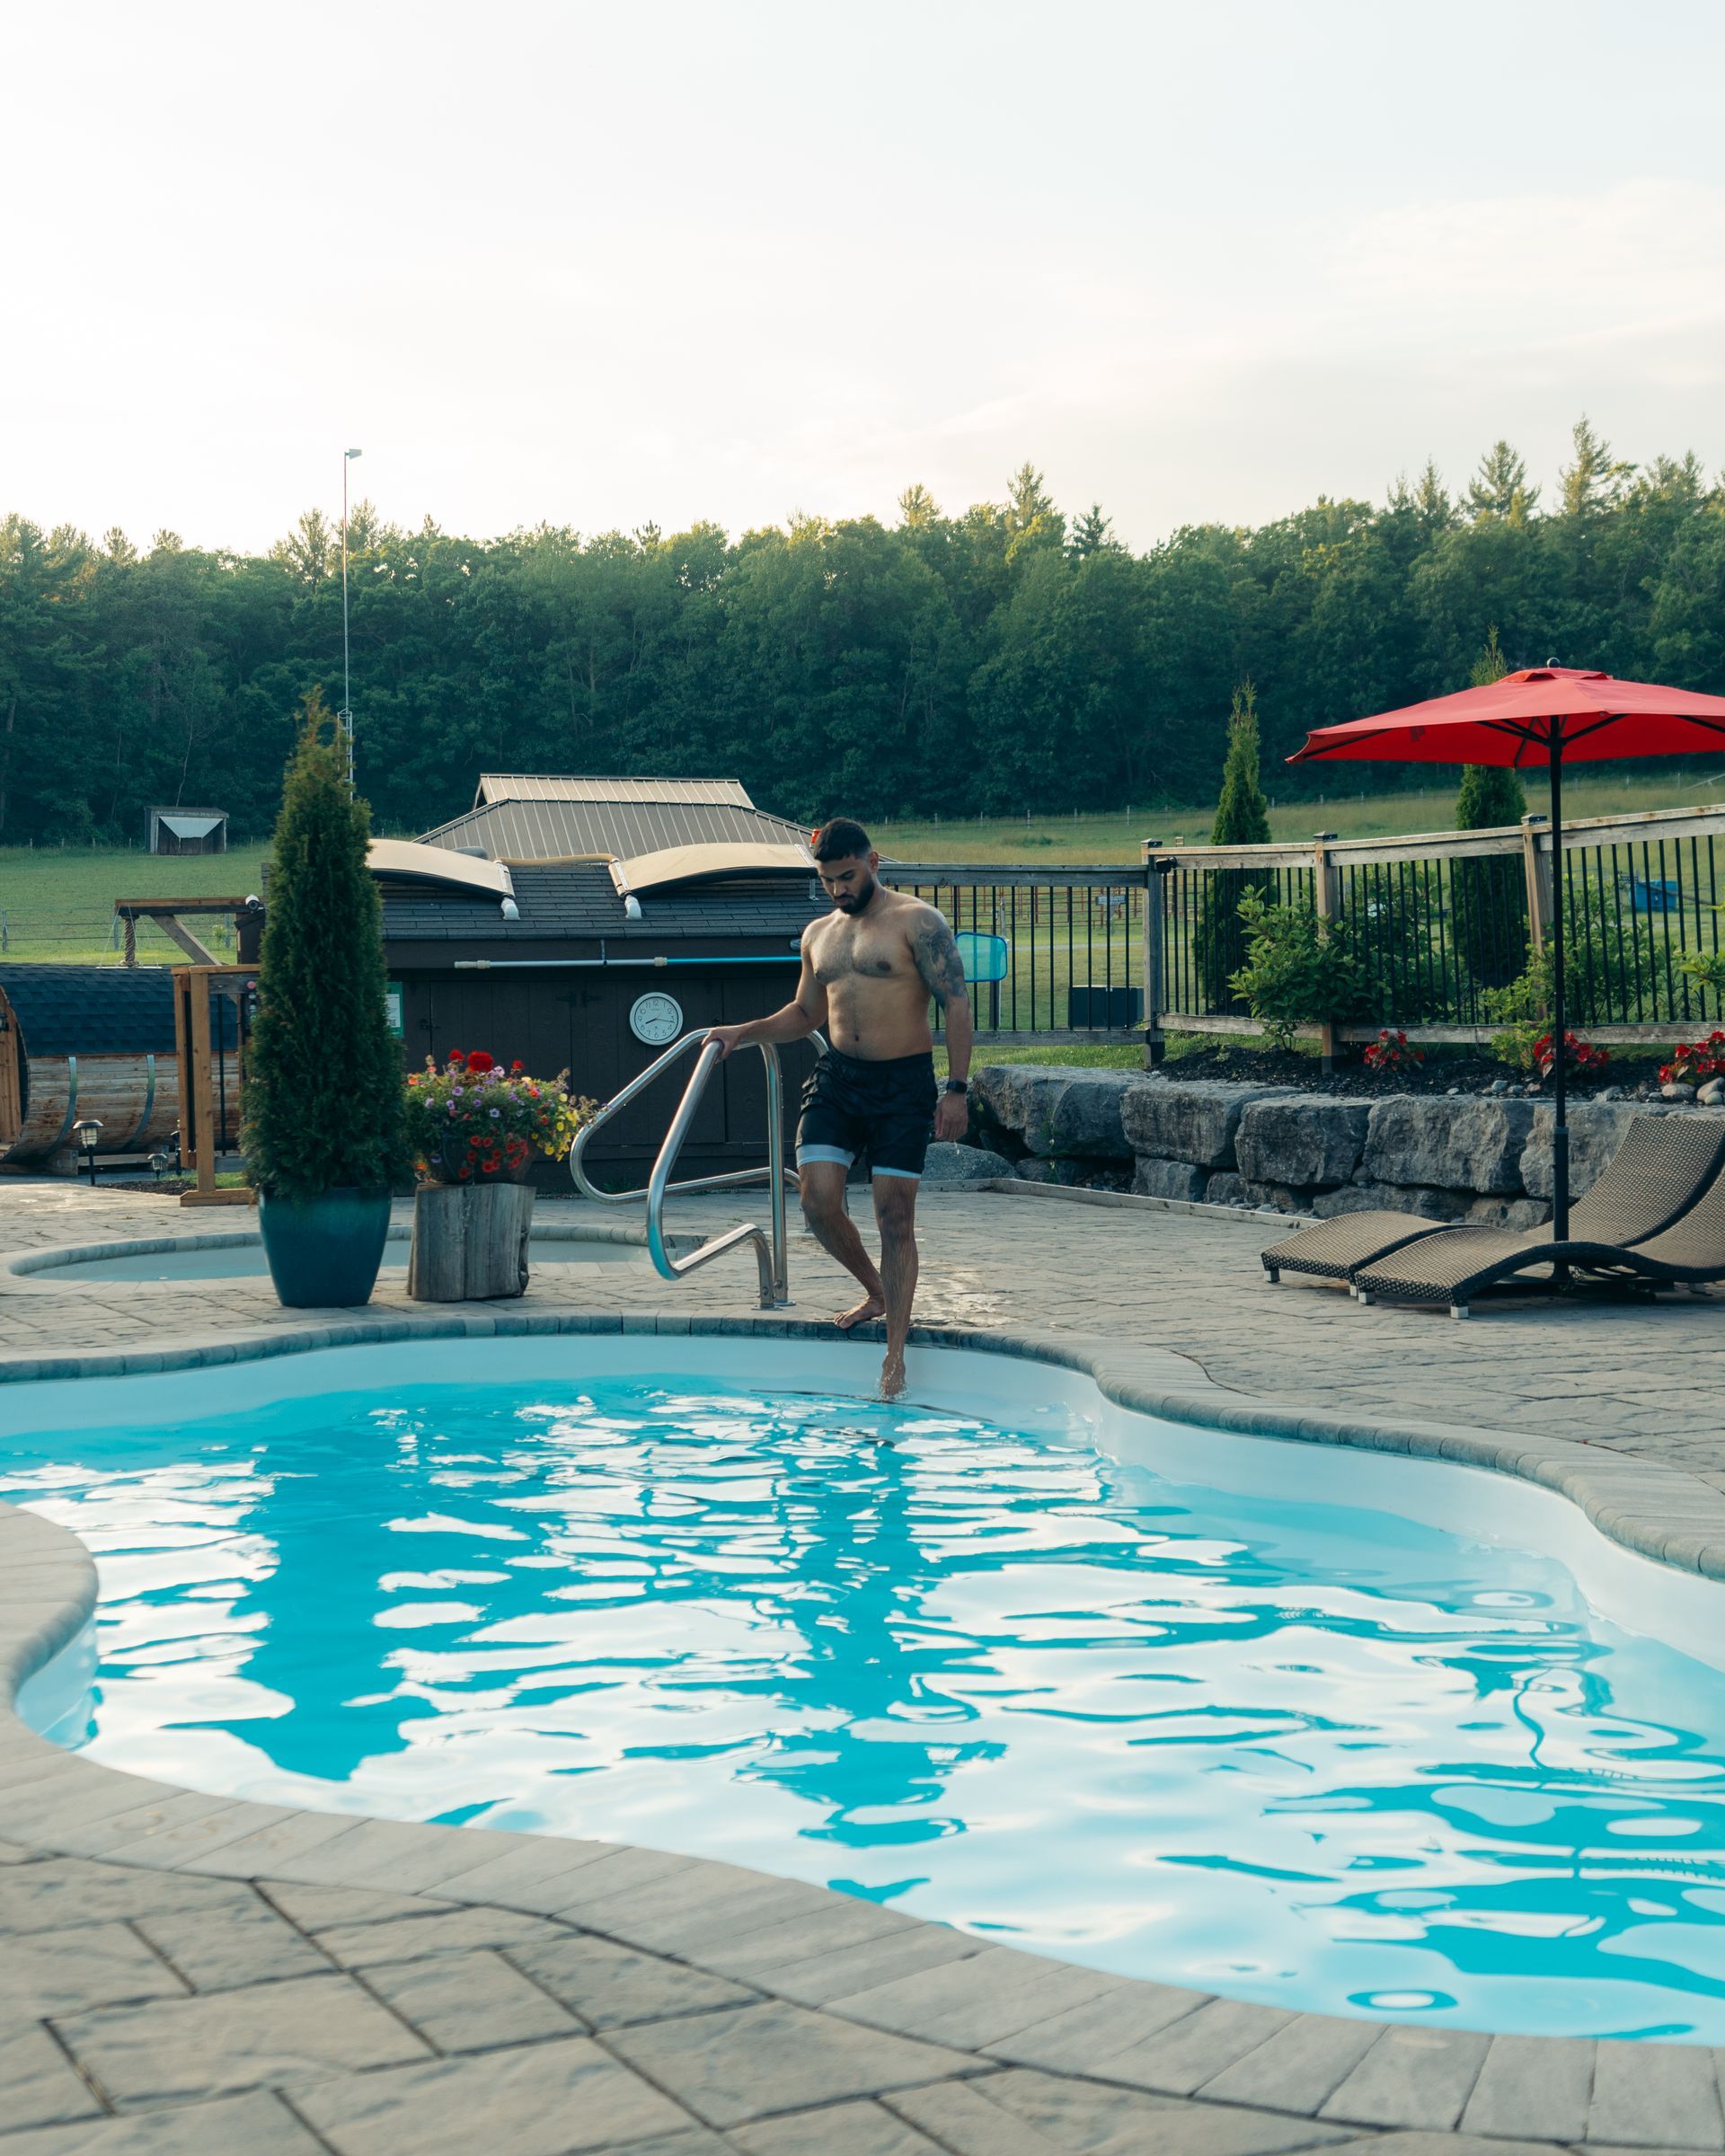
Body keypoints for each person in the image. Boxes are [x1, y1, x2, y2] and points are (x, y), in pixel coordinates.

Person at [708, 817, 973, 1398]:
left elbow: (956, 1001)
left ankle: (895, 1355)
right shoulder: (817, 934)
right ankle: (876, 1291)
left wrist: (957, 1088)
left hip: (902, 1086)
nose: (837, 890)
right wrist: (740, 1031)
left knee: (894, 1217)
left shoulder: (918, 922)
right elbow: (805, 1014)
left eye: (846, 877)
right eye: (827, 880)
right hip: (838, 1079)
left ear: (873, 861)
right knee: (817, 1200)